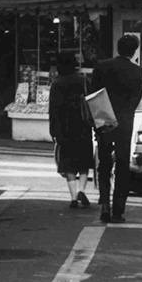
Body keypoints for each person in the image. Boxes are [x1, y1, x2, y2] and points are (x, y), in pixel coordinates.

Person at [89, 34, 142, 223]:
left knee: (104, 164)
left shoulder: (102, 66)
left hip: (104, 119)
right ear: (135, 50)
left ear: (118, 47)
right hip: (124, 123)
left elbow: (93, 95)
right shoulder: (138, 72)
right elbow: (134, 102)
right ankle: (118, 210)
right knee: (122, 165)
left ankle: (104, 205)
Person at [48, 51, 94, 209]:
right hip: (82, 125)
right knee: (83, 161)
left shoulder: (57, 83)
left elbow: (53, 109)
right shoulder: (83, 80)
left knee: (68, 162)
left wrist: (53, 130)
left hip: (64, 127)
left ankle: (74, 198)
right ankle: (82, 189)